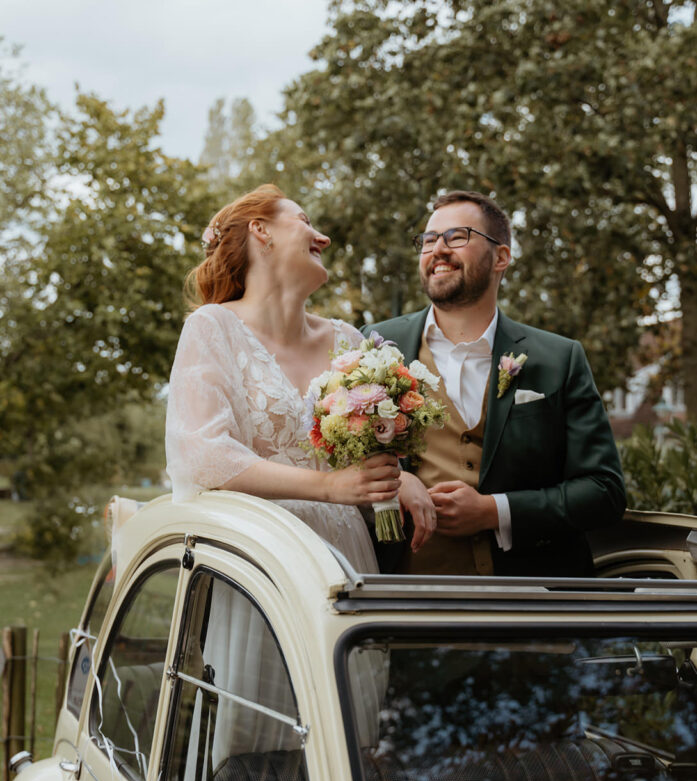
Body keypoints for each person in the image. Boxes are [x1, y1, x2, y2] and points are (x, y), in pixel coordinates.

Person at [165, 184, 432, 573]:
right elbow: (205, 459)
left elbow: (367, 459)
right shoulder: (212, 327)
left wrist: (395, 480)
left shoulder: (348, 340)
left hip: (347, 555)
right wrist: (329, 487)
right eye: (305, 222)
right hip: (261, 559)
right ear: (261, 231)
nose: (323, 237)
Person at [363, 189, 626, 577]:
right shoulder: (375, 345)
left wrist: (494, 511)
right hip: (404, 602)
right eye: (429, 239)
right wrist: (394, 479)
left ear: (501, 257)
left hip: (533, 605)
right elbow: (339, 458)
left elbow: (604, 491)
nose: (438, 249)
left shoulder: (559, 358)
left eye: (457, 236)